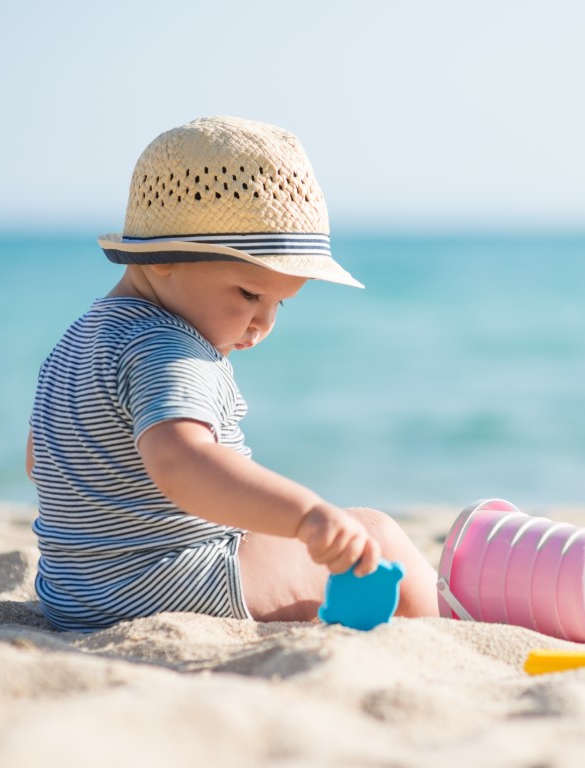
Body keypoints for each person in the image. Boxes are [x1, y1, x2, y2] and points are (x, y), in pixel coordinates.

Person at [26, 116, 441, 632]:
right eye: (249, 295)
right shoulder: (167, 348)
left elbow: (40, 459)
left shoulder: (81, 337)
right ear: (163, 261)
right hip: (167, 583)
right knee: (377, 535)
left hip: (73, 593)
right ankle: (442, 627)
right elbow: (182, 462)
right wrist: (304, 515)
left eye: (280, 305)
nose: (263, 323)